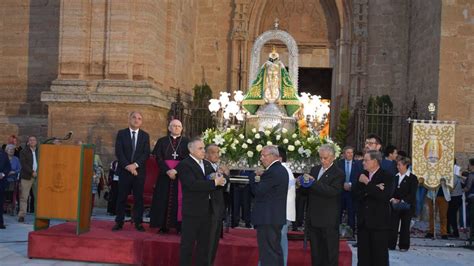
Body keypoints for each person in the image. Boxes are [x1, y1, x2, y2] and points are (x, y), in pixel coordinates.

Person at [177, 138, 226, 266]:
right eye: (200, 148)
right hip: (192, 211)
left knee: (204, 245)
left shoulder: (206, 163)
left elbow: (216, 180)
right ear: (191, 150)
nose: (203, 151)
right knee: (187, 244)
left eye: (204, 148)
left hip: (208, 211)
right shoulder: (185, 164)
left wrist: (221, 178)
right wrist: (214, 182)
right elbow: (192, 185)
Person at [303, 144, 344, 266]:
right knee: (316, 252)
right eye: (320, 158)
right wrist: (302, 184)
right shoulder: (315, 169)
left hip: (329, 220)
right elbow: (309, 191)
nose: (322, 161)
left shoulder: (338, 173)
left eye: (325, 158)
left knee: (330, 253)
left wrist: (313, 183)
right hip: (314, 218)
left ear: (333, 158)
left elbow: (332, 192)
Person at [352, 150, 394, 266]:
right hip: (363, 222)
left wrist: (367, 183)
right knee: (363, 256)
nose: (363, 163)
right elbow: (355, 194)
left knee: (379, 256)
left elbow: (384, 196)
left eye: (366, 160)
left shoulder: (387, 176)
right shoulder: (361, 175)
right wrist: (374, 188)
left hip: (379, 223)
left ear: (375, 161)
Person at [249, 145, 288, 266]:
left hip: (268, 218)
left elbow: (258, 191)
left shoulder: (272, 172)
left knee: (268, 253)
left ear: (273, 156)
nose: (261, 158)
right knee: (275, 251)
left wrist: (253, 177)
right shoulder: (280, 169)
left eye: (263, 155)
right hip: (274, 217)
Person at [112, 111, 150, 232]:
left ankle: (138, 222)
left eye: (139, 118)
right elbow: (119, 152)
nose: (136, 120)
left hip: (139, 173)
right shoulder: (121, 134)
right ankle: (119, 222)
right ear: (129, 119)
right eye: (134, 117)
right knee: (121, 197)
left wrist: (135, 165)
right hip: (124, 171)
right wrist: (128, 166)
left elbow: (146, 154)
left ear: (141, 121)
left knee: (138, 198)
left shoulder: (145, 136)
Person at [149, 119, 189, 233]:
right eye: (174, 126)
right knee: (163, 199)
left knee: (179, 200)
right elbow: (158, 158)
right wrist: (167, 171)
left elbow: (188, 160)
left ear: (182, 128)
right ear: (169, 128)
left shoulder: (187, 142)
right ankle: (163, 226)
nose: (176, 128)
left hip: (180, 175)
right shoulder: (162, 141)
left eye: (179, 126)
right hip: (164, 174)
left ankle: (179, 227)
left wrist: (176, 170)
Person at [204, 144, 230, 265]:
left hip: (218, 207)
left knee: (214, 240)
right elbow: (217, 182)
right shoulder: (205, 165)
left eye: (218, 152)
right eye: (214, 152)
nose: (217, 155)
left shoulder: (216, 166)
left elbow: (224, 185)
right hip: (209, 208)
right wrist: (223, 174)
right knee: (208, 240)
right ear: (206, 154)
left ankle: (210, 262)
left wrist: (225, 174)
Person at [389, 156, 418, 251]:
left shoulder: (413, 178)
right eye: (397, 165)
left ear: (406, 165)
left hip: (407, 206)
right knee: (393, 225)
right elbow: (391, 190)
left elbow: (412, 193)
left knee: (405, 226)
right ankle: (391, 244)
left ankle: (404, 245)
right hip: (395, 205)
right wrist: (393, 199)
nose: (397, 166)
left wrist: (401, 200)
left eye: (399, 165)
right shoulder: (395, 177)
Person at [278, 146, 296, 266]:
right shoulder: (284, 170)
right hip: (282, 212)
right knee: (280, 241)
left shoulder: (282, 170)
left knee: (279, 242)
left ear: (279, 158)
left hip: (281, 212)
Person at [337, 146, 360, 233]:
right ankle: (337, 232)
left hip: (352, 192)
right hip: (341, 192)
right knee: (338, 212)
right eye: (348, 152)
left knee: (351, 213)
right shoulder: (339, 163)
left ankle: (351, 232)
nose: (350, 154)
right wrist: (342, 184)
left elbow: (359, 177)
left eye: (352, 152)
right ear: (344, 154)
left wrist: (350, 184)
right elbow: (336, 176)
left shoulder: (357, 164)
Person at [18, 136, 38, 223]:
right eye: (30, 140)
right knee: (24, 197)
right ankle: (22, 215)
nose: (32, 141)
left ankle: (38, 215)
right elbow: (23, 163)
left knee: (38, 197)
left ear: (36, 142)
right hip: (26, 176)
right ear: (28, 142)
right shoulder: (23, 151)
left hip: (38, 177)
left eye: (34, 140)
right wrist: (32, 172)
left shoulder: (40, 151)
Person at [5, 144, 20, 214]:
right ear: (6, 150)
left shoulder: (16, 159)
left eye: (13, 150)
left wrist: (14, 171)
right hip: (4, 177)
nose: (11, 151)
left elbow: (19, 169)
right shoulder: (3, 158)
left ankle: (10, 204)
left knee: (11, 187)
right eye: (10, 149)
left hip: (13, 178)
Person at [0, 146, 12, 229]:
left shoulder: (4, 154)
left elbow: (8, 167)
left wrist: (3, 174)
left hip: (1, 182)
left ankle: (0, 223)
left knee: (0, 203)